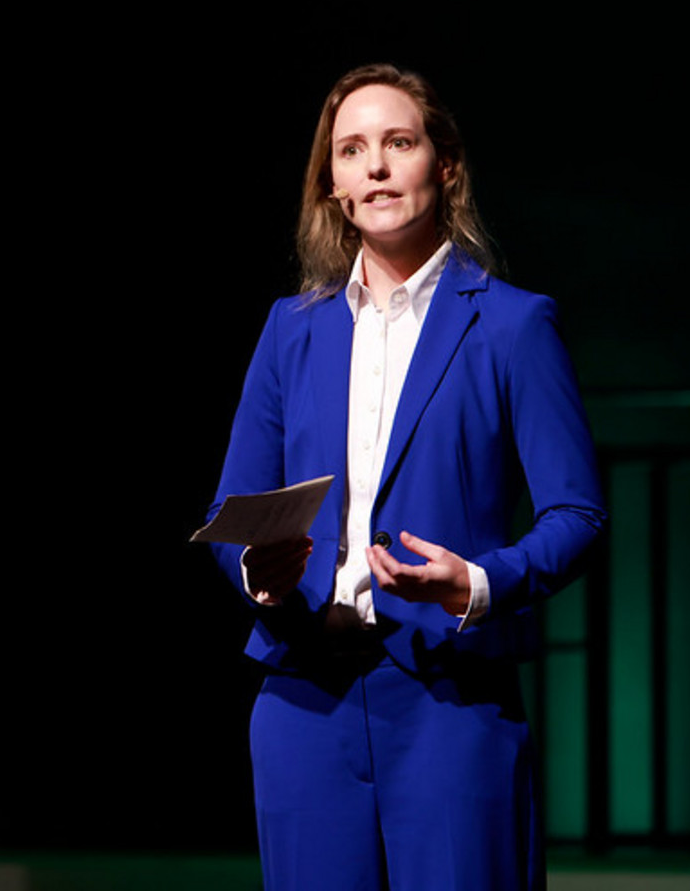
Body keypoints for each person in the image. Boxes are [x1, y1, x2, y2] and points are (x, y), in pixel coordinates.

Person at [206, 63, 607, 890]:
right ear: (334, 187)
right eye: (351, 151)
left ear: (445, 164)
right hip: (302, 697)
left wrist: (479, 582)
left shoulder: (511, 324)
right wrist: (260, 571)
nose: (376, 166)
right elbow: (232, 509)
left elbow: (578, 512)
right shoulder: (292, 329)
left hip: (450, 700)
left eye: (398, 142)